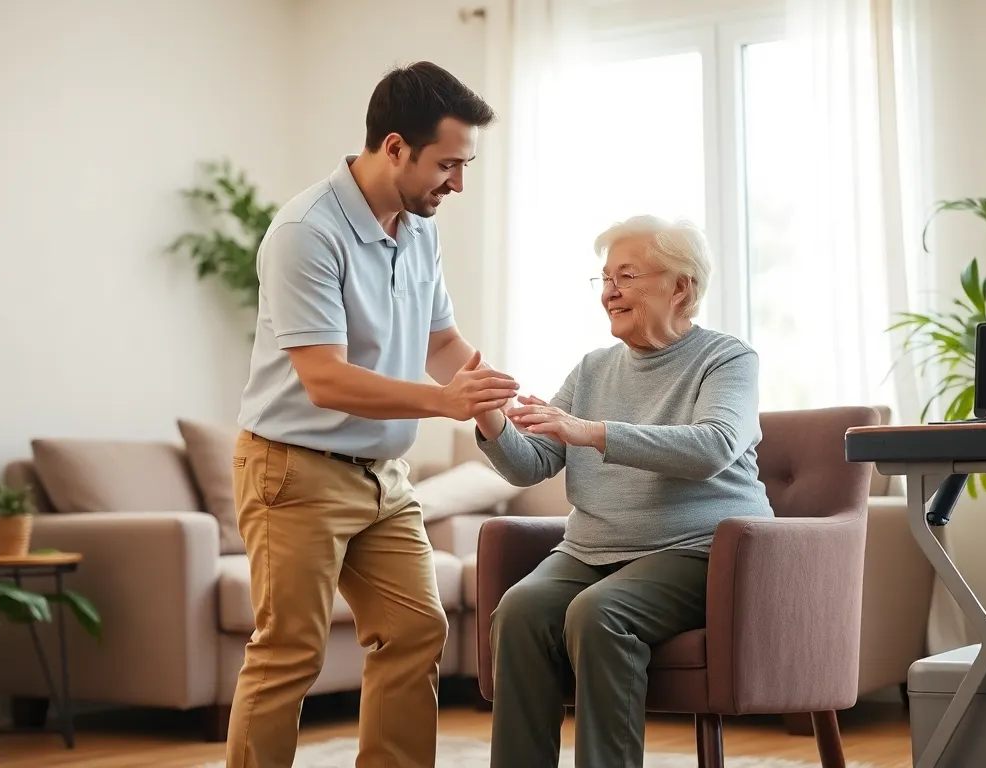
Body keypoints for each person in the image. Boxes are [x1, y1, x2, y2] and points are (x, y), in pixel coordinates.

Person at [227, 61, 518, 768]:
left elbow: (440, 344)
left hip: (383, 476)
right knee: (289, 652)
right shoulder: (306, 232)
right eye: (447, 165)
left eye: (465, 165)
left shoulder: (419, 230)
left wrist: (501, 400)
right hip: (295, 472)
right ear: (394, 147)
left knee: (416, 629)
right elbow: (324, 379)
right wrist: (444, 404)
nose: (457, 184)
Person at [473, 215, 773, 768]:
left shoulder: (727, 358)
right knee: (519, 611)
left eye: (626, 276)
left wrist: (591, 431)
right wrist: (490, 416)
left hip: (696, 550)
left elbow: (713, 445)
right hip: (590, 550)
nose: (609, 291)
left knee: (600, 614)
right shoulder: (592, 369)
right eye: (605, 278)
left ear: (680, 286)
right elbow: (532, 463)